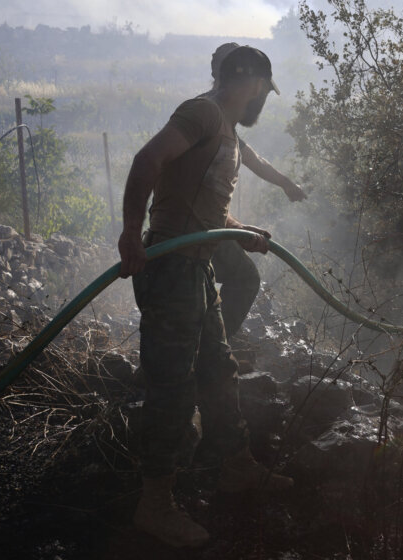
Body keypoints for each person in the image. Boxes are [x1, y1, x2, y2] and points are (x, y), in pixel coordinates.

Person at [117, 45, 295, 548]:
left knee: (217, 369)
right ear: (256, 84)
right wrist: (132, 233)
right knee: (172, 390)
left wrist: (241, 231)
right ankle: (154, 505)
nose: (264, 100)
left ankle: (236, 466)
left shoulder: (225, 130)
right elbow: (148, 159)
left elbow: (205, 210)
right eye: (265, 90)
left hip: (195, 270)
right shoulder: (203, 112)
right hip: (171, 269)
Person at [206, 42, 306, 340]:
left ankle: (210, 344)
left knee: (231, 279)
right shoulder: (207, 114)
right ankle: (213, 345)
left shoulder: (219, 117)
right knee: (245, 278)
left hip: (203, 228)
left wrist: (286, 183)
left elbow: (250, 158)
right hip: (194, 232)